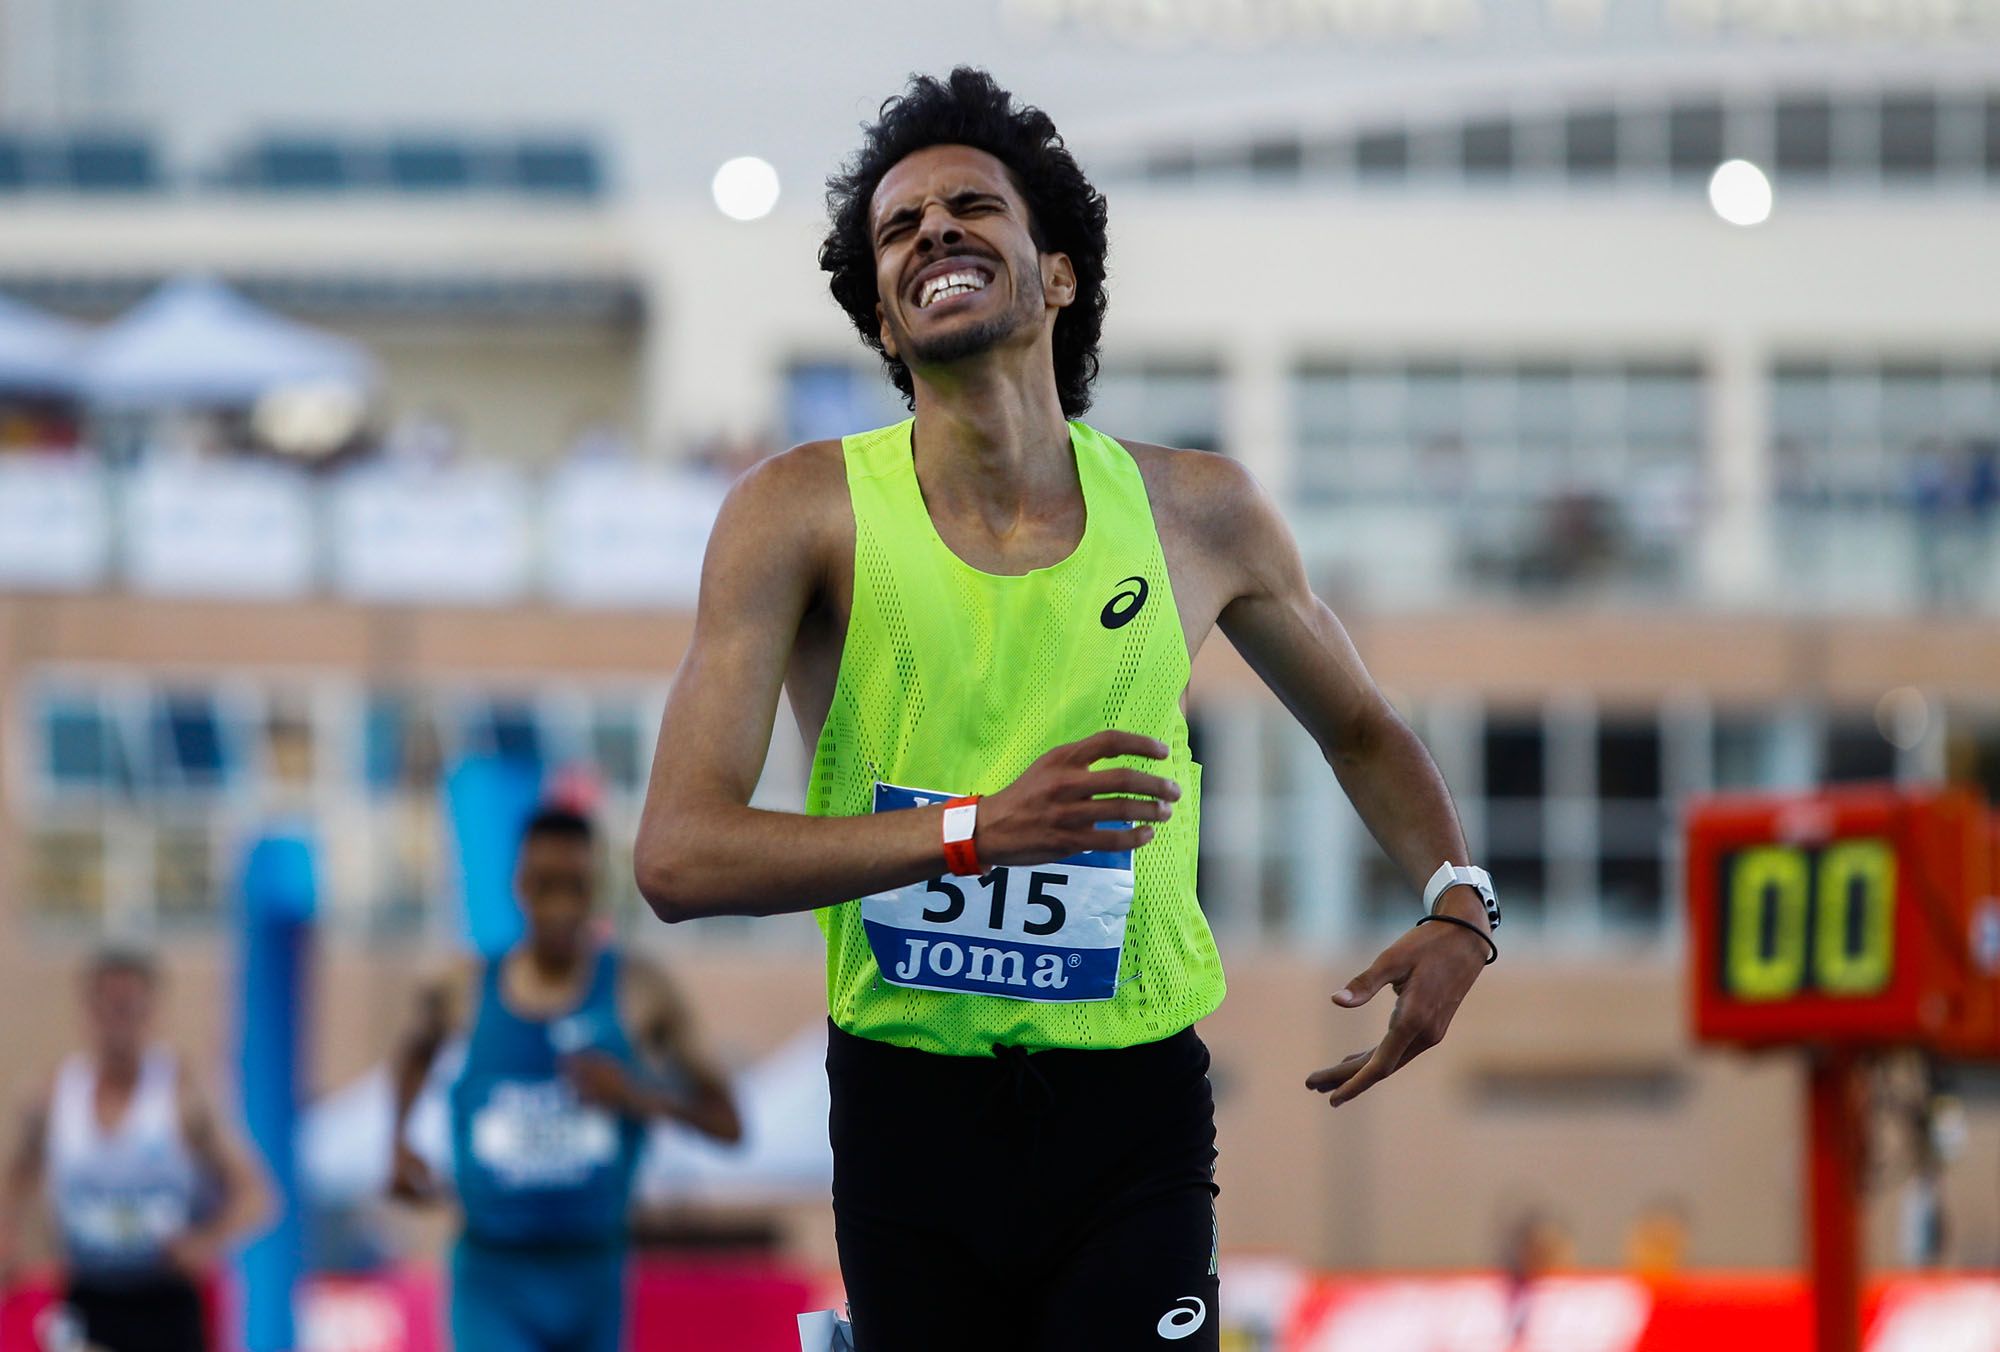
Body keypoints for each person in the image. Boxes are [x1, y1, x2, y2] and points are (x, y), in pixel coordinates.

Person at [633, 68, 1498, 1351]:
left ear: (1057, 275)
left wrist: (1458, 902)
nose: (930, 231)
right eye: (896, 228)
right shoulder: (796, 513)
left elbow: (1361, 728)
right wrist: (977, 830)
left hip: (1127, 1109)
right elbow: (677, 855)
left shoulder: (1200, 513)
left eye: (970, 206)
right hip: (906, 1111)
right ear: (883, 316)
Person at [388, 805, 741, 1352]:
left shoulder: (639, 991)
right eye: (543, 885)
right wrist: (399, 1142)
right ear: (519, 887)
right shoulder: (464, 985)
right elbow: (412, 1051)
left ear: (594, 889)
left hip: (593, 1271)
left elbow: (728, 1123)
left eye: (573, 887)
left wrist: (638, 1098)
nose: (558, 906)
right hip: (493, 1273)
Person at [0, 950, 268, 1352]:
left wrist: (204, 1242)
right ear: (89, 1011)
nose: (118, 1022)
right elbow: (14, 1179)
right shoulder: (55, 1094)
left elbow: (257, 1194)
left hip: (166, 1300)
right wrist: (11, 1249)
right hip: (89, 1296)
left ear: (151, 1012)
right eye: (109, 1007)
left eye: (129, 1008)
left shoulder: (182, 1095)